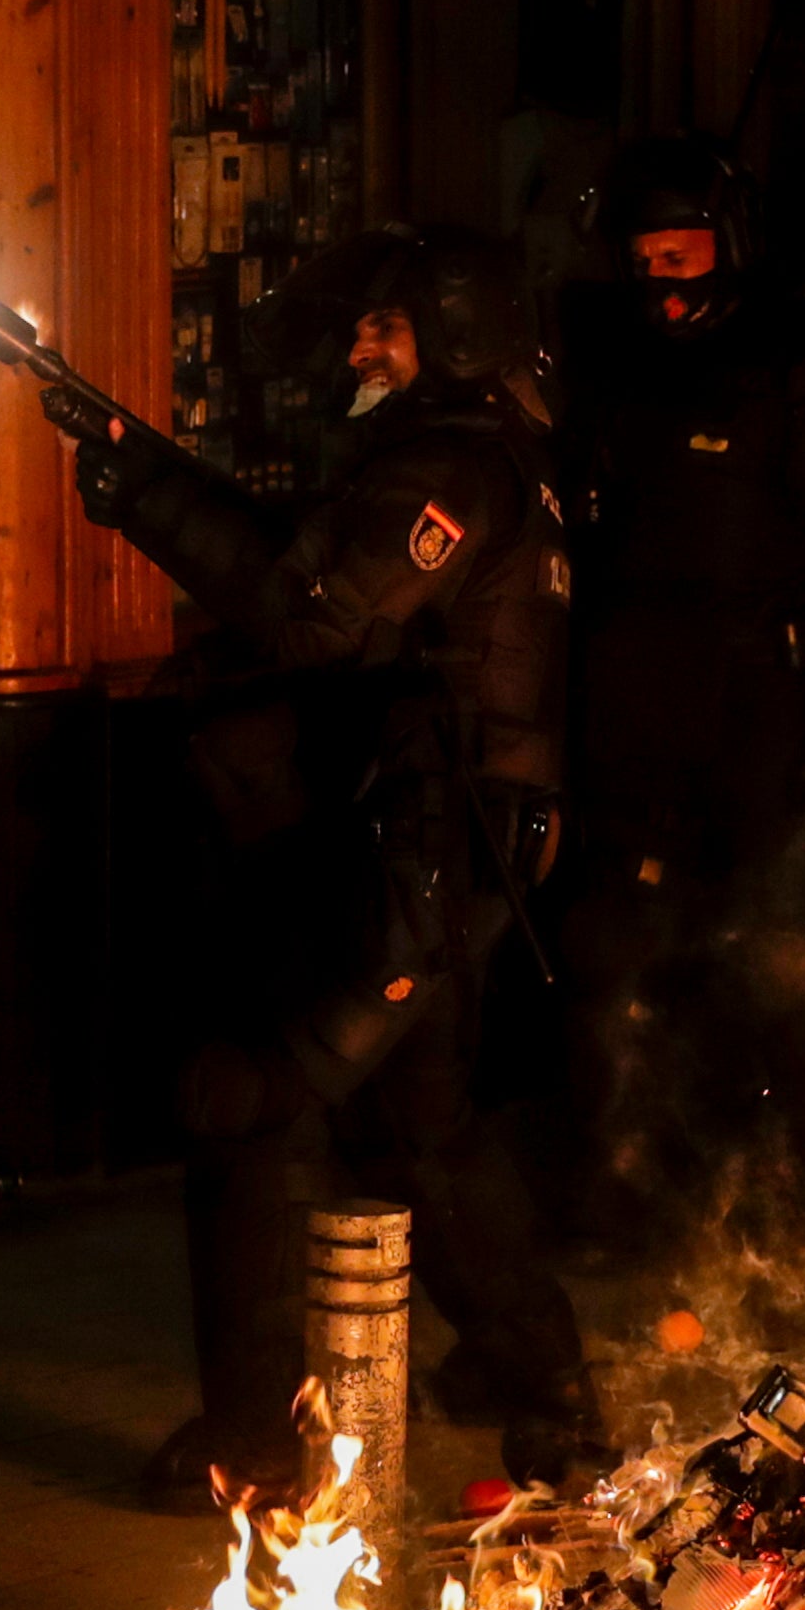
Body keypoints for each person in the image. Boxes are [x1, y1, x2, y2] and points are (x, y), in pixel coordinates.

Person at [70, 223, 613, 1507]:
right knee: (420, 1129)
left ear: (459, 338)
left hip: (428, 852)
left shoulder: (451, 469)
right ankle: (550, 1400)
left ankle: (255, 1446)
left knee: (257, 1102)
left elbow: (315, 612)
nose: (362, 344)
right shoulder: (467, 459)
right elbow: (305, 563)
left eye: (392, 324)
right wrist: (145, 473)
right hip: (433, 842)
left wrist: (151, 494)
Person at [550, 134, 805, 1240]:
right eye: (647, 260)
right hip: (627, 726)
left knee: (778, 961)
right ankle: (620, 1194)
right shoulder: (603, 382)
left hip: (759, 720)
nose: (668, 283)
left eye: (687, 253)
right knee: (610, 967)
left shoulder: (784, 379)